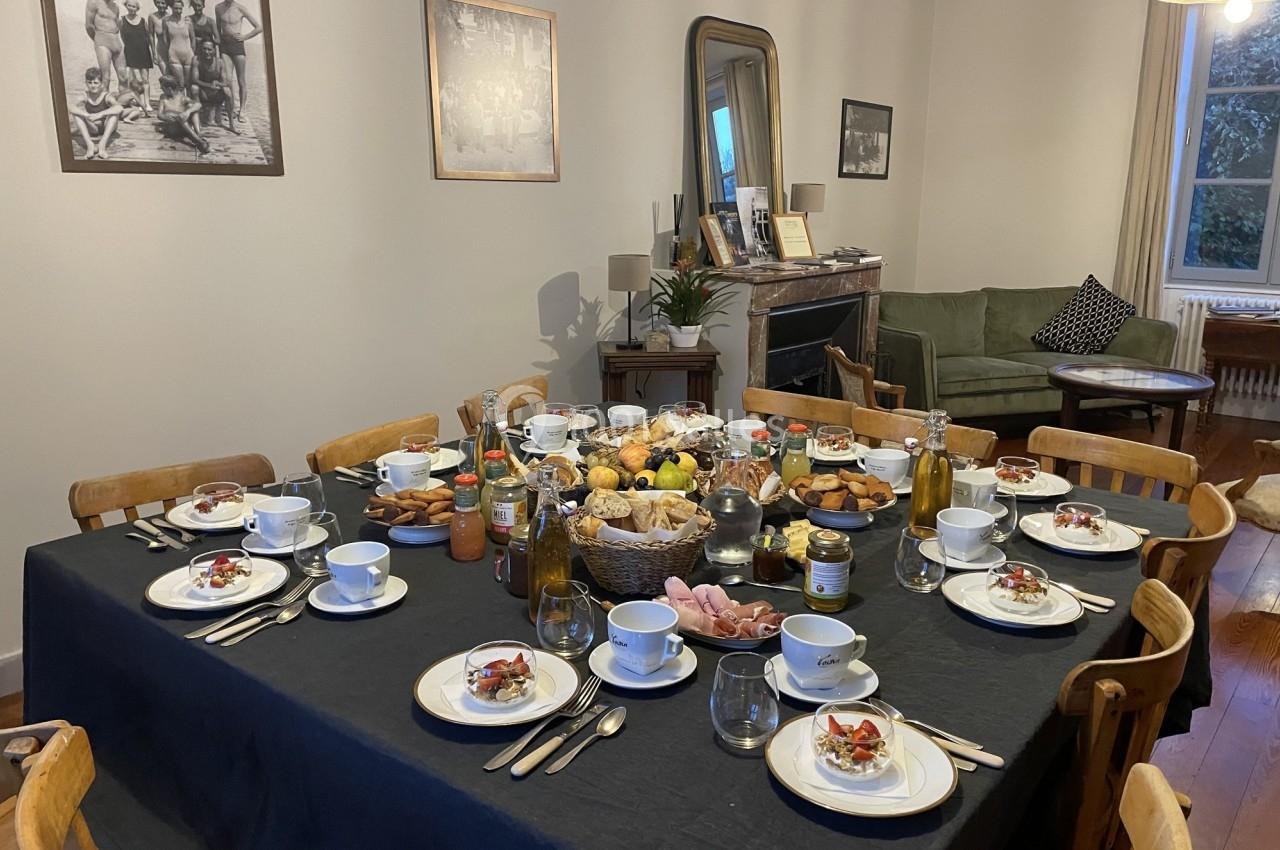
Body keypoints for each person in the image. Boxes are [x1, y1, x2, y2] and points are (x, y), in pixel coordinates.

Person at [215, 0, 261, 123]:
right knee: (227, 79)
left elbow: (259, 27)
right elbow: (218, 29)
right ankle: (232, 108)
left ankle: (242, 111)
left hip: (237, 45)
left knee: (241, 80)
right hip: (224, 45)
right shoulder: (218, 8)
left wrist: (245, 37)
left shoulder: (241, 8)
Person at [69, 67, 121, 159]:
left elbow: (119, 107)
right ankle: (90, 145)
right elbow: (70, 106)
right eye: (90, 82)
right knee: (77, 114)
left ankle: (102, 145)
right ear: (86, 83)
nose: (93, 86)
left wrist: (100, 114)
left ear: (101, 84)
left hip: (107, 126)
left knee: (114, 114)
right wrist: (86, 115)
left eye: (96, 83)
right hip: (93, 128)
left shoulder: (106, 96)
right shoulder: (85, 95)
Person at [188, 39, 235, 133]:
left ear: (214, 50)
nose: (206, 52)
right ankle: (196, 124)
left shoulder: (220, 62)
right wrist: (210, 85)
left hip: (215, 93)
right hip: (203, 92)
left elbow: (226, 82)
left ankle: (231, 124)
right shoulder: (196, 60)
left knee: (228, 91)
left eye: (209, 49)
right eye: (204, 49)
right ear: (201, 49)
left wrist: (218, 84)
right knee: (194, 88)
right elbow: (194, 79)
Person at [155, 73, 209, 153]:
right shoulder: (163, 98)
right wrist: (167, 117)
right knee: (179, 117)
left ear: (169, 89)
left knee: (193, 109)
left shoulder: (182, 98)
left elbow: (198, 104)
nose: (160, 88)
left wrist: (187, 112)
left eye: (162, 87)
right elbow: (159, 115)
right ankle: (200, 141)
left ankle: (198, 134)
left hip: (183, 127)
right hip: (172, 128)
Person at [84, 0, 126, 92]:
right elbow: (89, 26)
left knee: (123, 76)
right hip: (102, 41)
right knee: (105, 77)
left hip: (116, 41)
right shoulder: (93, 2)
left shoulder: (115, 6)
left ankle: (123, 102)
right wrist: (98, 41)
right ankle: (104, 104)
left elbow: (116, 25)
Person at [118, 0, 152, 115]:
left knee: (146, 79)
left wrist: (152, 51)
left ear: (137, 8)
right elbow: (122, 36)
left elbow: (148, 37)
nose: (131, 8)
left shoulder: (143, 21)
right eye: (129, 5)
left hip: (143, 52)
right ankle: (141, 103)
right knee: (138, 80)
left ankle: (147, 104)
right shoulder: (122, 20)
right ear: (126, 6)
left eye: (134, 6)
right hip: (131, 52)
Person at [164, 0, 196, 90]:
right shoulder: (166, 22)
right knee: (180, 83)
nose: (178, 11)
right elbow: (165, 39)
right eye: (175, 8)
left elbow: (193, 39)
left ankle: (189, 103)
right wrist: (169, 53)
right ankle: (180, 103)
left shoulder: (188, 22)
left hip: (188, 54)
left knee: (188, 83)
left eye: (180, 8)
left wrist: (192, 52)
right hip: (174, 55)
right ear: (171, 8)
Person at [147, 0, 170, 78]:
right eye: (158, 3)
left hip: (172, 50)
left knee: (176, 78)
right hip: (161, 49)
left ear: (167, 4)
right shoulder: (152, 17)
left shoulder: (170, 16)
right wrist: (154, 53)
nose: (160, 5)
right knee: (166, 77)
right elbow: (151, 35)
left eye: (163, 3)